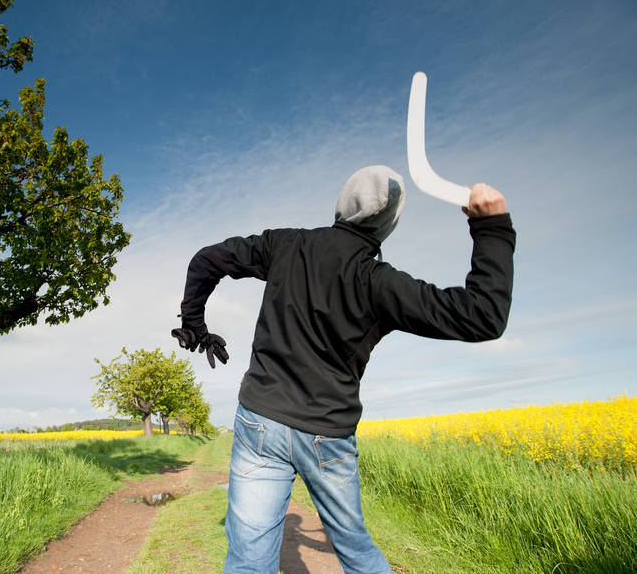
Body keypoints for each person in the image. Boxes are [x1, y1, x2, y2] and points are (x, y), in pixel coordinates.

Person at [171, 165, 516, 574]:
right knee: (355, 549)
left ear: (341, 208)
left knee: (247, 560)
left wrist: (194, 324)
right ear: (387, 225)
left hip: (260, 422)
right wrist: (492, 228)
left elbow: (206, 260)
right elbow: (482, 316)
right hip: (327, 434)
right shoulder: (380, 283)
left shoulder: (285, 245)